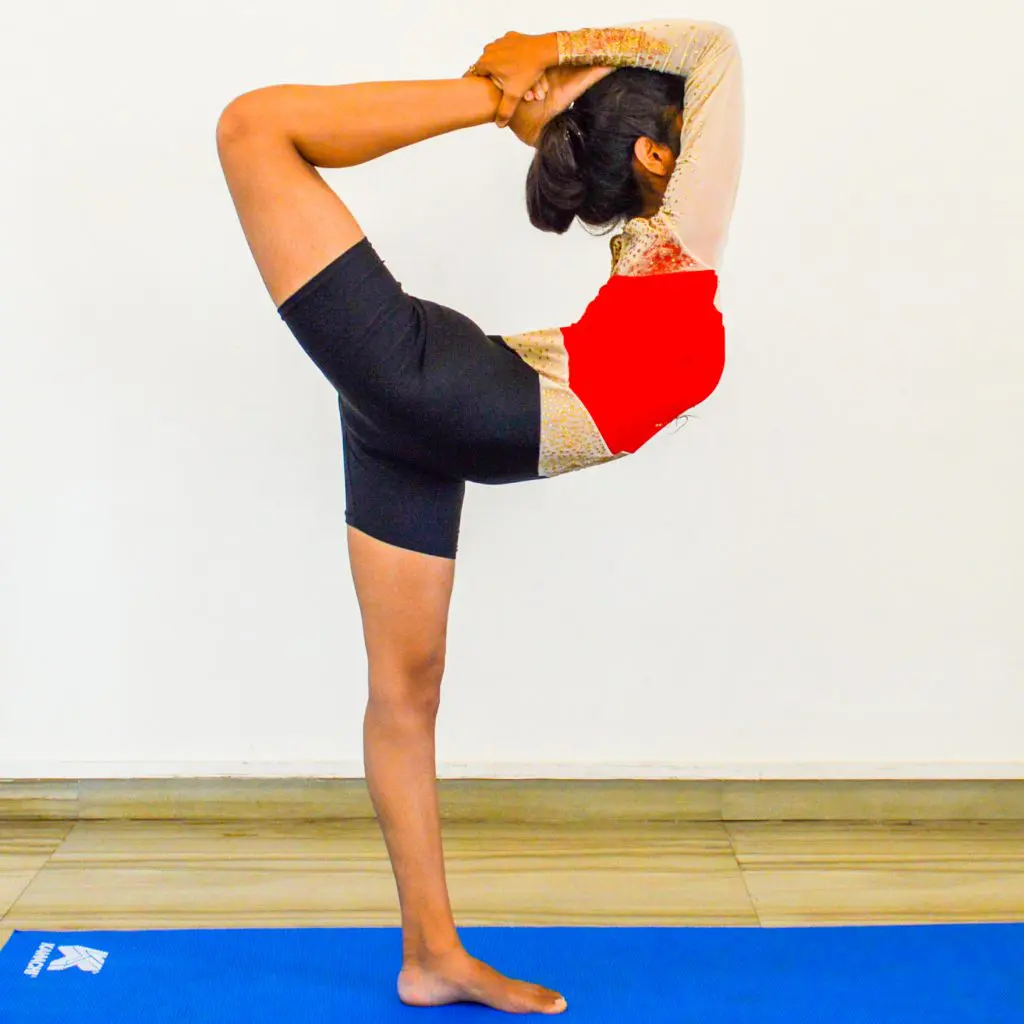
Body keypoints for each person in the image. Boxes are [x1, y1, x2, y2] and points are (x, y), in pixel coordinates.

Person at [215, 17, 743, 1015]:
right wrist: (525, 72)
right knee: (253, 129)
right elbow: (711, 49)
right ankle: (484, 99)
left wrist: (554, 71)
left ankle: (432, 957)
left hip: (424, 415)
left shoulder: (657, 253)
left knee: (405, 696)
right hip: (442, 392)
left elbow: (697, 64)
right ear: (655, 151)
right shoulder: (683, 234)